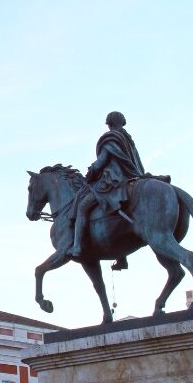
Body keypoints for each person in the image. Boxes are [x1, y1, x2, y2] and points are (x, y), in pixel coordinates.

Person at [67, 111, 145, 270]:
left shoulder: (110, 138)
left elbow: (102, 161)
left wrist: (92, 170)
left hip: (112, 180)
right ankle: (121, 257)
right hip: (131, 177)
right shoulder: (127, 137)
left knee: (82, 207)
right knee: (117, 213)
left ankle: (76, 246)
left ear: (108, 123)